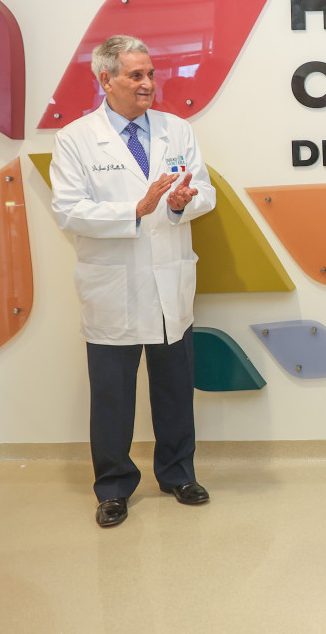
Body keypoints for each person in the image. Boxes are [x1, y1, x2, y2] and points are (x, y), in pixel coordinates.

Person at [50, 35, 216, 528]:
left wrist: (184, 202)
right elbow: (68, 211)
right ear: (106, 79)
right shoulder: (76, 138)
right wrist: (135, 210)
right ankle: (114, 487)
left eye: (150, 74)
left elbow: (204, 190)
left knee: (175, 389)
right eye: (135, 75)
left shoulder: (176, 129)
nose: (148, 84)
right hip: (113, 290)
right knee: (112, 397)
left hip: (169, 281)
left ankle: (178, 474)